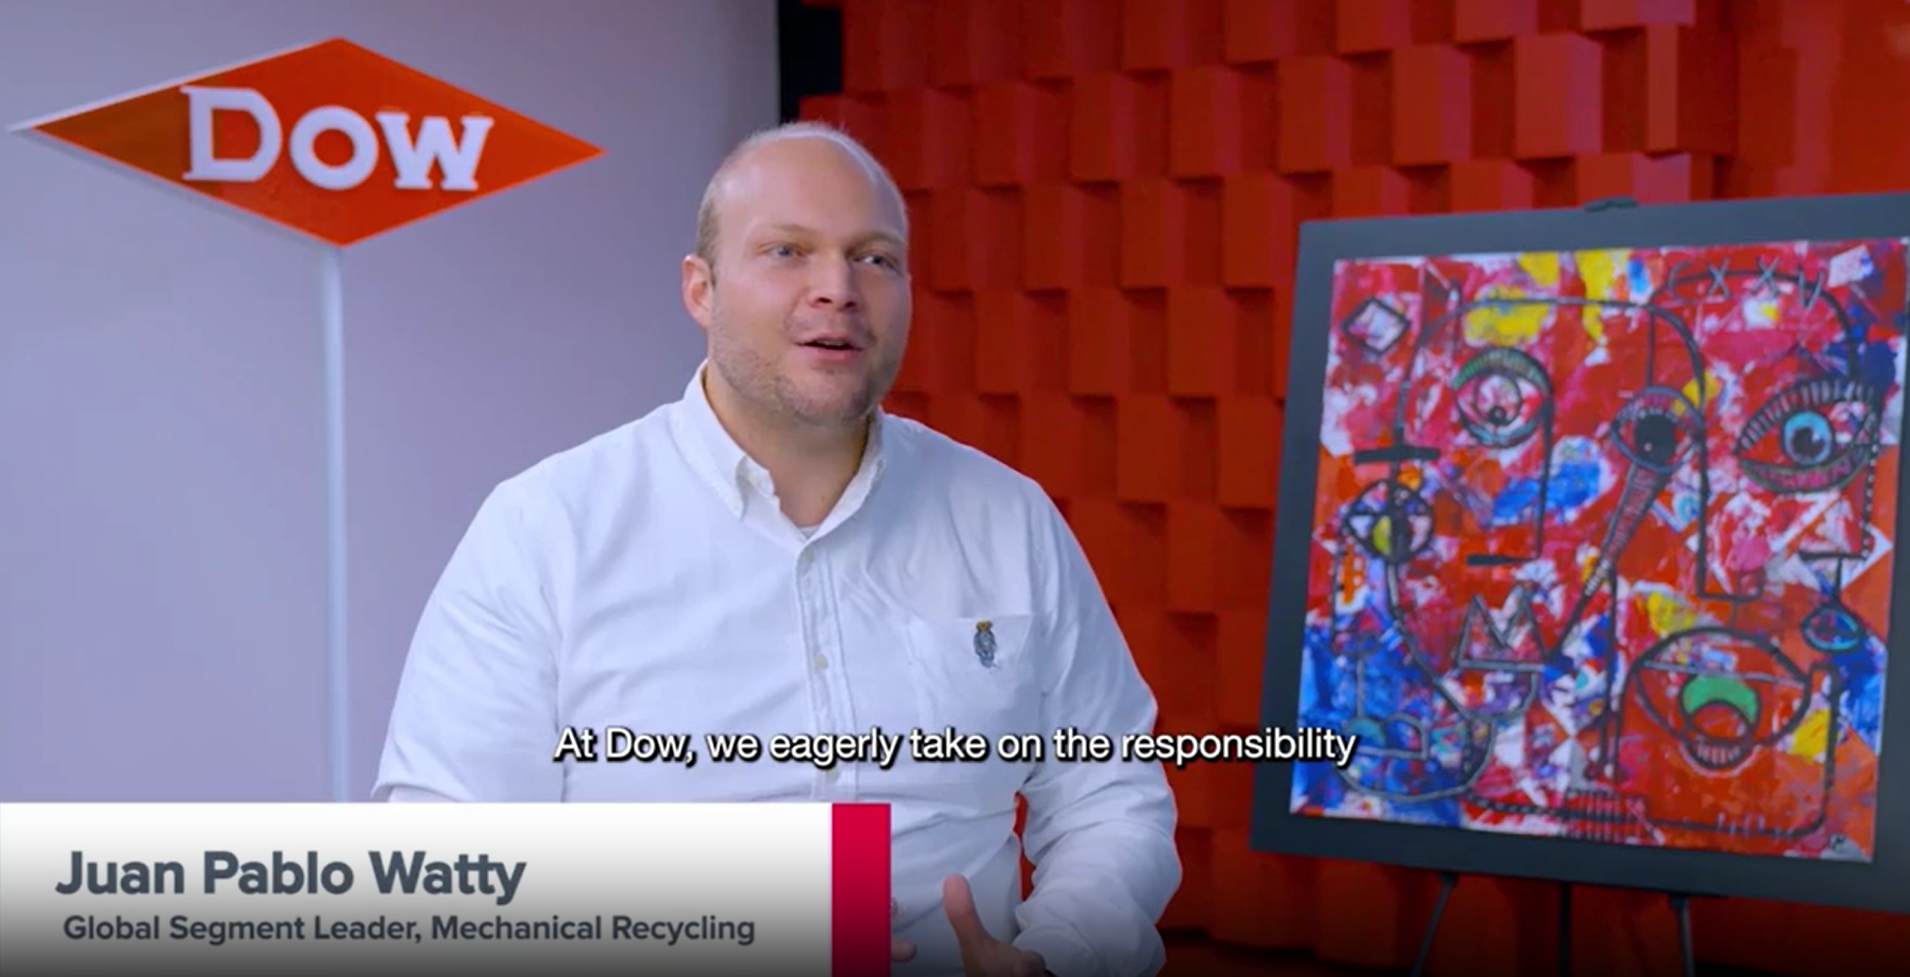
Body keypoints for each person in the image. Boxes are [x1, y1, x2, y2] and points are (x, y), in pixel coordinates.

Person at [372, 121, 1181, 977]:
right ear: (701, 290)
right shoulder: (548, 529)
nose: (838, 288)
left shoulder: (1006, 519)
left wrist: (1060, 955)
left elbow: (1112, 794)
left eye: (874, 258)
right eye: (788, 251)